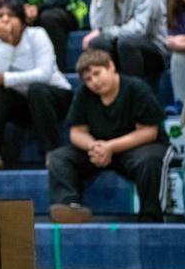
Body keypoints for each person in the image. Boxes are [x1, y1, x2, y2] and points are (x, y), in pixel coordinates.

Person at [47, 50, 168, 223]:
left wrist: (110, 147)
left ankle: (150, 217)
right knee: (58, 157)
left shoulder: (136, 88)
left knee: (149, 161)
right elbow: (77, 132)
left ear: (111, 66)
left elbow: (149, 132)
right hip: (100, 149)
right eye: (88, 79)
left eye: (97, 73)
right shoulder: (84, 94)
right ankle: (70, 207)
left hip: (136, 148)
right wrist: (94, 147)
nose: (94, 82)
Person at [0, 2, 73, 171]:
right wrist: (7, 45)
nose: (5, 20)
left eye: (11, 15)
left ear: (23, 23)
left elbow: (44, 75)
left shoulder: (37, 35)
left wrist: (5, 79)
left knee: (36, 89)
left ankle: (53, 153)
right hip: (23, 106)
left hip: (54, 98)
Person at [81, 0, 168, 86]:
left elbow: (140, 30)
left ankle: (133, 92)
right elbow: (99, 28)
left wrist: (105, 32)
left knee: (126, 43)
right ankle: (107, 89)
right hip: (119, 46)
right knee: (99, 43)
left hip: (152, 49)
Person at [167, 0, 185, 102]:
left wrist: (182, 42)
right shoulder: (178, 12)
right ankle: (180, 105)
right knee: (178, 57)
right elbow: (171, 40)